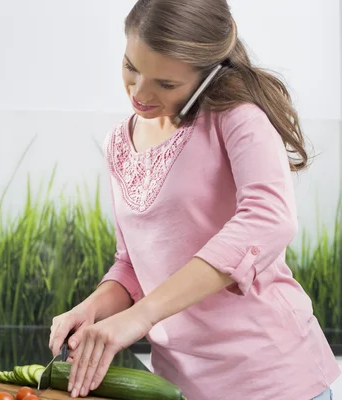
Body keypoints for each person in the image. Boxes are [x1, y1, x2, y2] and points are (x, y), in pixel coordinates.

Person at [47, 1, 341, 399]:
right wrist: (94, 307)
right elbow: (133, 264)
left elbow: (269, 219)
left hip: (273, 379)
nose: (139, 92)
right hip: (179, 385)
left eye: (166, 84)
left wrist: (141, 316)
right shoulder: (118, 142)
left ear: (207, 75)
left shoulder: (236, 118)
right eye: (131, 67)